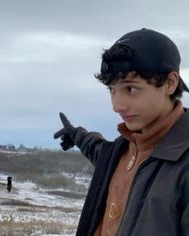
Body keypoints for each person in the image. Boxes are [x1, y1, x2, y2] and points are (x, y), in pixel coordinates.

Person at [54, 28, 189, 236]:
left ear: (170, 83)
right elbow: (100, 152)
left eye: (131, 89)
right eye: (112, 90)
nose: (117, 106)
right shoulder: (126, 149)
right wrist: (77, 136)